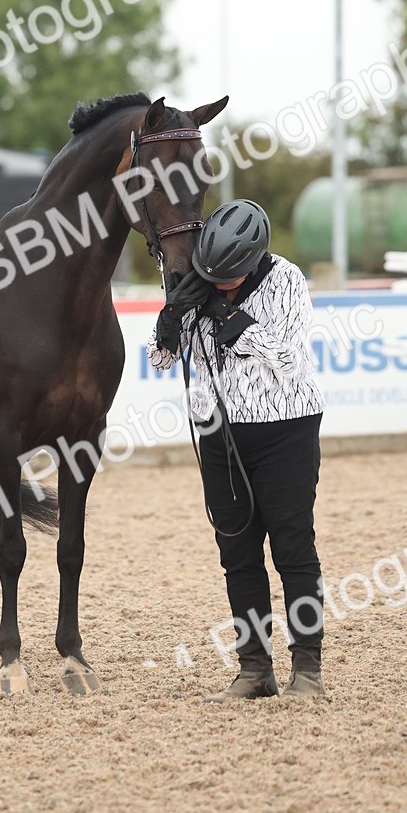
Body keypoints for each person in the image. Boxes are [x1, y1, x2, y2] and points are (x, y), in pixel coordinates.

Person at [147, 199, 326, 701]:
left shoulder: (286, 280)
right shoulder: (201, 279)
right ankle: (254, 669)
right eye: (213, 274)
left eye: (228, 276)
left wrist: (233, 320)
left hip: (285, 429)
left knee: (293, 549)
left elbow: (289, 359)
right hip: (219, 435)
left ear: (253, 261)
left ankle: (307, 670)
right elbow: (161, 361)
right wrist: (171, 320)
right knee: (237, 555)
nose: (219, 283)